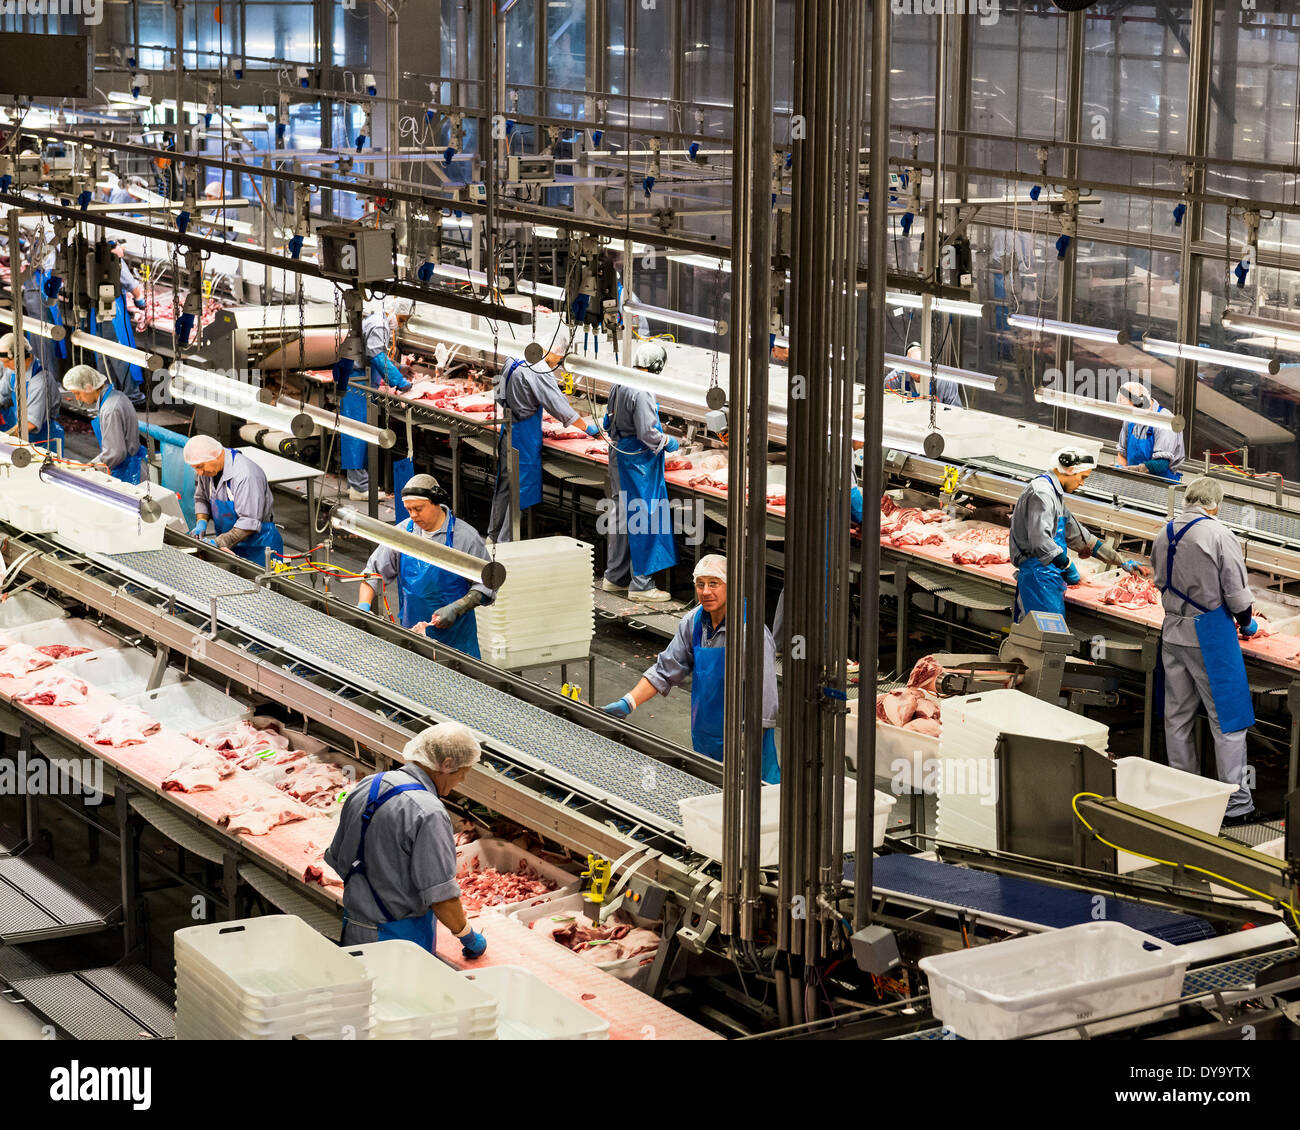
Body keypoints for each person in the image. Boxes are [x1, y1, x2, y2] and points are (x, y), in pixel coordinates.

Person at [602, 555, 781, 783]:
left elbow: (764, 708)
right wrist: (628, 702)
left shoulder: (751, 633)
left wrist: (742, 754)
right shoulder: (694, 622)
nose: (706, 591)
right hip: (706, 738)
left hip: (747, 749)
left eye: (714, 584)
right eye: (700, 584)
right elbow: (664, 670)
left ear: (733, 586)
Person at [324, 722, 488, 956]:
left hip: (355, 926)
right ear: (447, 765)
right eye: (464, 771)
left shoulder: (370, 784)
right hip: (399, 943)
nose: (461, 780)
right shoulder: (429, 812)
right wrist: (469, 937)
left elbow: (337, 857)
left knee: (361, 989)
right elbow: (442, 899)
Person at [1152, 476, 1257, 825]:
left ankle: (1185, 791)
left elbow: (1158, 579)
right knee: (1228, 719)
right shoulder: (1218, 534)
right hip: (1210, 635)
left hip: (1172, 630)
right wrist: (1247, 623)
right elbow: (1236, 592)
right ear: (1216, 504)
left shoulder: (1164, 532)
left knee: (1178, 716)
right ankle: (1235, 803)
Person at [356, 475, 496, 658]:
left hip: (456, 643)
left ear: (436, 503)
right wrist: (362, 608)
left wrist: (457, 607)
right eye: (409, 510)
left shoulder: (465, 537)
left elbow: (487, 584)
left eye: (418, 509)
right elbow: (372, 573)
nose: (413, 515)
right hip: (413, 636)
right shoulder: (404, 534)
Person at [1008, 446, 1150, 621]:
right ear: (1068, 470)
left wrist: (1121, 561)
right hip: (1037, 579)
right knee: (1040, 638)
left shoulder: (1054, 494)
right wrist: (1068, 566)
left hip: (1049, 578)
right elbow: (1041, 542)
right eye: (1082, 477)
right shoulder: (1042, 493)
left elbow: (1082, 537)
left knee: (1050, 638)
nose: (1082, 483)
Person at [486, 324, 598, 543]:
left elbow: (496, 384)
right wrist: (589, 429)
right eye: (559, 358)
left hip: (508, 427)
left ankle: (492, 535)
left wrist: (511, 403)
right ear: (553, 352)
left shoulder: (513, 356)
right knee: (519, 491)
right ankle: (505, 543)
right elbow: (559, 406)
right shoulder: (541, 370)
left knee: (505, 487)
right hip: (524, 437)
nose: (558, 364)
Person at [600, 341, 679, 603]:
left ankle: (615, 577)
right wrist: (668, 442)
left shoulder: (619, 381)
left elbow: (607, 422)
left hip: (618, 454)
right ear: (657, 367)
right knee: (643, 519)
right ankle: (642, 585)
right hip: (638, 462)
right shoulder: (643, 389)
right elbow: (648, 433)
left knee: (622, 517)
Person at [183, 434, 285, 563]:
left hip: (259, 547)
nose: (199, 473)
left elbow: (249, 522)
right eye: (195, 468)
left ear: (216, 455)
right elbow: (201, 498)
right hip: (230, 546)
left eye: (200, 466)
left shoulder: (245, 475)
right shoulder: (208, 471)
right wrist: (201, 522)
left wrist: (220, 542)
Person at [61, 365, 146, 483]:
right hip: (130, 467)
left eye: (78, 393)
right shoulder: (117, 396)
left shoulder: (110, 409)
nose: (78, 398)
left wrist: (90, 467)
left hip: (127, 472)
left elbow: (115, 453)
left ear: (89, 388)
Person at [91, 241, 146, 402]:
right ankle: (132, 395)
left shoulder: (93, 259)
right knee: (121, 351)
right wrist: (141, 303)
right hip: (113, 308)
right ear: (114, 248)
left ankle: (108, 392)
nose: (124, 250)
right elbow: (133, 286)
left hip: (97, 308)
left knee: (102, 351)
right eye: (122, 247)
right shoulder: (114, 262)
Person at [0, 332, 64, 450]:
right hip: (20, 432)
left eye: (7, 362)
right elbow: (2, 395)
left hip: (42, 441)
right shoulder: (13, 370)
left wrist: (4, 439)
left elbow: (30, 423)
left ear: (21, 356)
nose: (4, 366)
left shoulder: (40, 382)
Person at [1115, 380, 1184, 481]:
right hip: (1131, 482)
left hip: (1161, 485)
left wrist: (1136, 470)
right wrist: (1122, 474)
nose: (1129, 417)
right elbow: (1122, 453)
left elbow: (1161, 464)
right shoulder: (1130, 417)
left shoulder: (1166, 421)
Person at [883, 342, 962, 406]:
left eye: (920, 368)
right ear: (906, 365)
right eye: (913, 368)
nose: (917, 374)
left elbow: (956, 411)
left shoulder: (946, 381)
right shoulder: (896, 378)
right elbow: (884, 405)